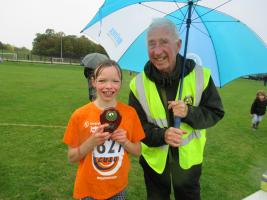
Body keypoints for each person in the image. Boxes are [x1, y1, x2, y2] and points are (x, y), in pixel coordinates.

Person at [128, 18, 224, 200]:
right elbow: (136, 127)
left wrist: (189, 112)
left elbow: (215, 112)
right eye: (151, 44)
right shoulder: (137, 84)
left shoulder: (200, 76)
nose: (157, 51)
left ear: (178, 45)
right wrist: (162, 135)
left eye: (164, 42)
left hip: (188, 162)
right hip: (155, 163)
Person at [63, 60, 145, 200]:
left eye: (115, 81)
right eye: (102, 81)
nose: (109, 86)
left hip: (117, 189)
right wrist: (91, 142)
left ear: (120, 83)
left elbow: (138, 151)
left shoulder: (130, 113)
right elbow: (71, 157)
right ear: (93, 82)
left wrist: (125, 141)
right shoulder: (80, 115)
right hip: (88, 189)